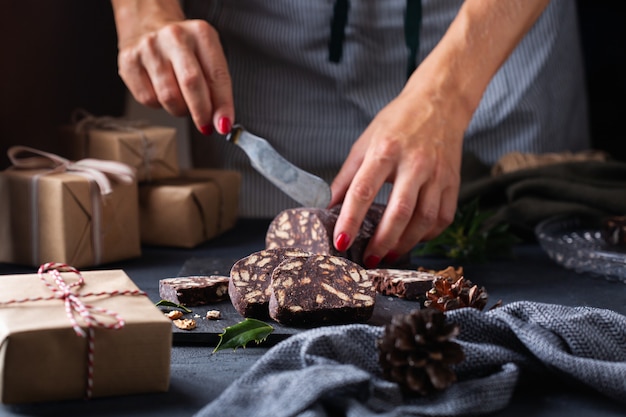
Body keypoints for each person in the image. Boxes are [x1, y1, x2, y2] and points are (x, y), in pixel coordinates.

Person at [111, 0, 589, 268]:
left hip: (491, 40)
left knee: (525, 251)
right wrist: (144, 11)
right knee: (269, 259)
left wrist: (452, 90)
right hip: (270, 42)